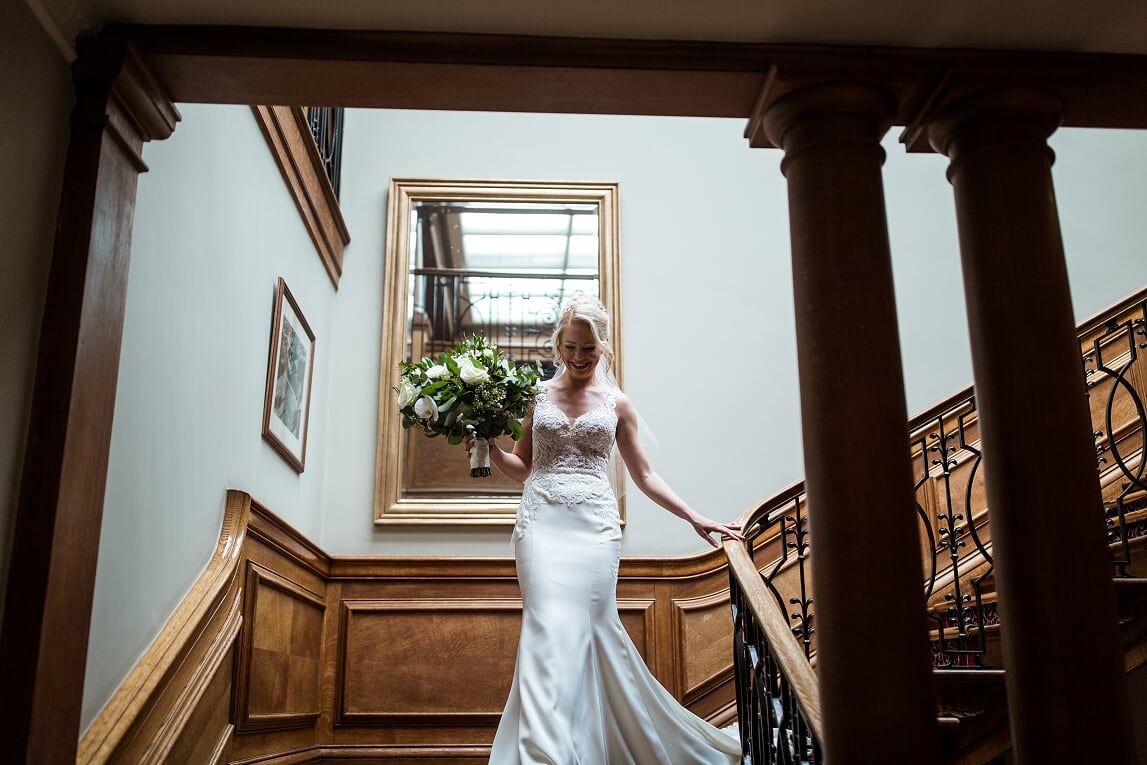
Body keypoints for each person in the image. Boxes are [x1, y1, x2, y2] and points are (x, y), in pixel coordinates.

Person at [465, 295, 744, 764]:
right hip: (541, 524)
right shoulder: (537, 397)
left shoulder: (618, 404)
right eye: (571, 347)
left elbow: (645, 475)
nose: (578, 357)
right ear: (558, 344)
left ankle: (598, 745)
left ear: (603, 348)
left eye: (588, 349)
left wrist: (695, 516)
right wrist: (488, 448)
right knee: (546, 627)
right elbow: (523, 467)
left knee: (592, 628)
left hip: (593, 527)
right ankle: (544, 753)